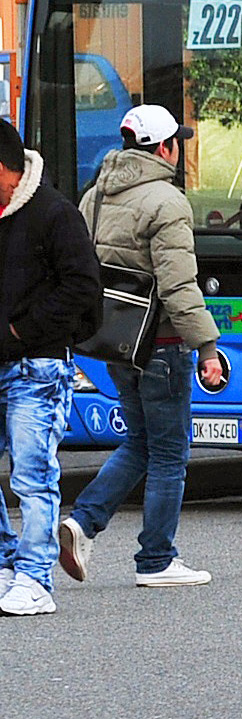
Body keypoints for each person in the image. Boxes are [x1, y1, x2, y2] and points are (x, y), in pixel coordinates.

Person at [60, 104, 224, 589]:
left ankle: (83, 522)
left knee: (139, 442)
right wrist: (208, 348)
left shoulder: (96, 196)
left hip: (117, 344)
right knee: (170, 453)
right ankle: (156, 559)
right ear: (165, 148)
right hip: (164, 346)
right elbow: (178, 286)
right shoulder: (167, 202)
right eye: (179, 142)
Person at [0, 119, 102, 616]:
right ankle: (5, 565)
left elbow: (83, 288)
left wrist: (21, 332)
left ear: (5, 170)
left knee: (32, 476)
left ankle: (36, 578)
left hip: (37, 368)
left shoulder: (54, 213)